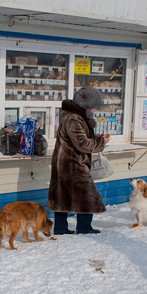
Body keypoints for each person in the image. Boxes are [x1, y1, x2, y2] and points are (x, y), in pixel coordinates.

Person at [48, 86, 110, 234]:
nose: (94, 110)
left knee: (63, 196)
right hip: (73, 164)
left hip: (66, 164)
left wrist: (97, 138)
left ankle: (61, 228)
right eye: (93, 107)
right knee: (87, 195)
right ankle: (83, 227)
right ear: (86, 106)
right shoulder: (74, 119)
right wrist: (101, 142)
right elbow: (83, 144)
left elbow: (80, 140)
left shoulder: (74, 117)